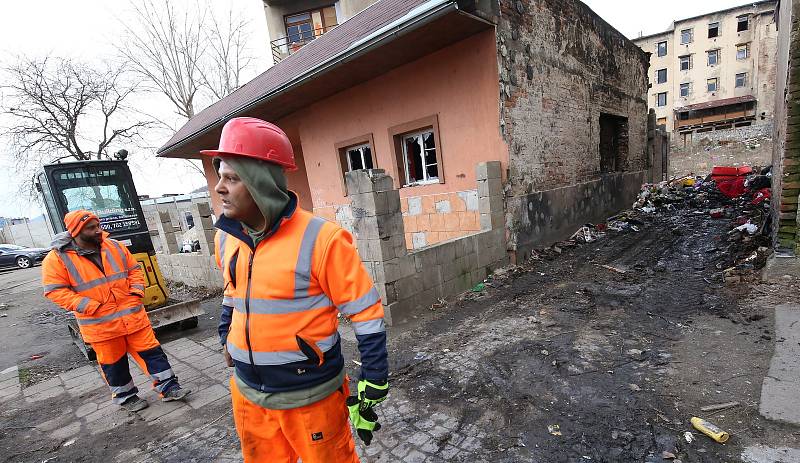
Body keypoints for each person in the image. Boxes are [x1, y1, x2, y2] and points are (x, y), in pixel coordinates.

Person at [204, 117, 389, 463]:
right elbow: (234, 292)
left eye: (232, 178)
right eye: (220, 176)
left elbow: (365, 312)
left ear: (261, 184)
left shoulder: (323, 239)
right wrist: (224, 338)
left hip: (310, 397)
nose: (220, 188)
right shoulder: (226, 238)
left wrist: (375, 376)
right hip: (248, 394)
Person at [41, 210, 190, 411]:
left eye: (97, 225)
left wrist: (136, 293)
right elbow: (55, 291)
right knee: (113, 364)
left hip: (133, 316)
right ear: (76, 230)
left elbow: (134, 270)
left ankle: (170, 388)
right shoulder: (57, 259)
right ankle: (127, 397)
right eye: (91, 227)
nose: (98, 230)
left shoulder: (115, 247)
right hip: (101, 325)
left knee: (153, 354)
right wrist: (89, 306)